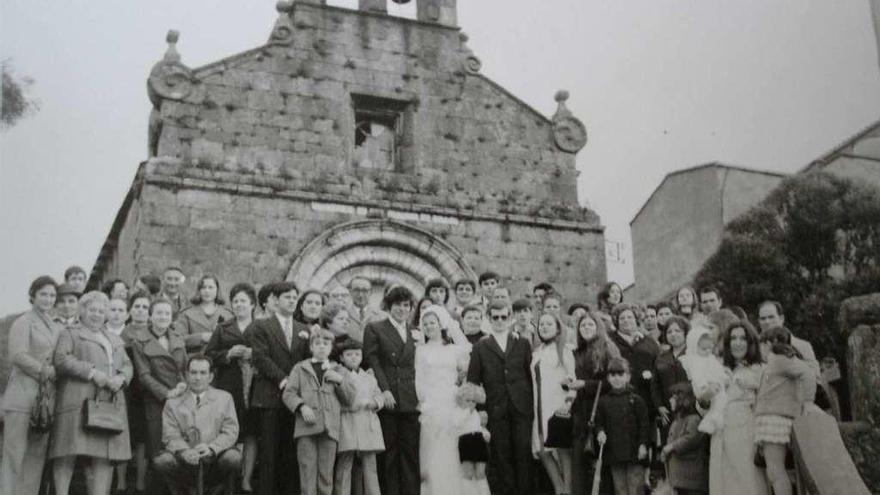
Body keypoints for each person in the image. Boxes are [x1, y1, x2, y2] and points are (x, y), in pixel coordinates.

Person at [50, 291, 133, 495]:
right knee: (67, 454)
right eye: (92, 310)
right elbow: (61, 360)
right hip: (77, 402)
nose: (97, 314)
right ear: (83, 311)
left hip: (109, 403)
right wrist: (92, 372)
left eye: (101, 310)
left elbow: (127, 364)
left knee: (103, 456)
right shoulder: (70, 333)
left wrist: (121, 378)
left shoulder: (113, 338)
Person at [0, 276, 61, 495]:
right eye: (43, 294)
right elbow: (18, 355)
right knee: (14, 456)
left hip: (44, 402)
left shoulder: (55, 327)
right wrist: (45, 371)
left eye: (52, 295)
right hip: (22, 398)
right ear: (33, 295)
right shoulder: (24, 322)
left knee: (35, 458)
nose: (48, 299)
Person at [248, 281, 310, 495]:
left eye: (294, 297)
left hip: (295, 401)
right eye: (287, 297)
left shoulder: (304, 330)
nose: (292, 301)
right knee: (269, 455)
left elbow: (307, 361)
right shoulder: (261, 326)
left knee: (290, 454)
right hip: (270, 396)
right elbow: (260, 357)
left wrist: (297, 388)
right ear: (275, 300)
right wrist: (284, 381)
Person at [467, 301, 534, 495]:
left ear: (510, 317)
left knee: (523, 453)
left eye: (503, 317)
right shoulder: (481, 346)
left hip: (521, 407)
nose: (499, 320)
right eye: (495, 317)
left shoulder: (522, 342)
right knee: (502, 456)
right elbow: (473, 381)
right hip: (496, 408)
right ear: (488, 318)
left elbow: (529, 376)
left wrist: (530, 404)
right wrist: (481, 411)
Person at [153, 355, 242, 495]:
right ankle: (180, 492)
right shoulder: (173, 402)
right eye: (193, 373)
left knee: (233, 458)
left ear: (211, 376)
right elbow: (170, 434)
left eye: (203, 373)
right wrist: (184, 451)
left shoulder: (224, 398)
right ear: (187, 376)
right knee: (163, 461)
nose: (197, 377)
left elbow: (231, 431)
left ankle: (222, 491)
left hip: (215, 460)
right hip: (185, 462)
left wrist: (212, 448)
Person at [283, 329, 356, 495]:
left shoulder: (338, 369)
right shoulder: (301, 368)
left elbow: (350, 399)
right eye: (317, 344)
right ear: (311, 347)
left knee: (326, 474)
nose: (321, 347)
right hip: (306, 429)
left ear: (331, 348)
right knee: (307, 472)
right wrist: (301, 406)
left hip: (330, 430)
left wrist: (339, 381)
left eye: (326, 344)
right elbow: (288, 394)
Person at [363, 286, 420, 495]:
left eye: (406, 305)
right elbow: (372, 360)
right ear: (389, 305)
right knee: (389, 454)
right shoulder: (375, 328)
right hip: (388, 399)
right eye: (398, 305)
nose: (402, 309)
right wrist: (384, 390)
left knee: (411, 454)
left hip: (412, 400)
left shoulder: (416, 332)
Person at [204, 282, 259, 493]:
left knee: (251, 432)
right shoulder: (223, 327)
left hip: (255, 385)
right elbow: (208, 356)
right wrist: (228, 354)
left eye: (243, 301)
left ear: (252, 304)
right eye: (235, 301)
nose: (239, 305)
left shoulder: (262, 327)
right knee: (230, 429)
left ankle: (246, 478)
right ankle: (227, 480)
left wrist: (253, 354)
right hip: (229, 385)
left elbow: (269, 353)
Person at [415, 305, 472, 495]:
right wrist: (424, 403)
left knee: (454, 448)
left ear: (441, 324)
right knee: (435, 449)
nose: (429, 326)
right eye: (425, 324)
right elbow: (419, 379)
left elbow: (466, 370)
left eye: (432, 322)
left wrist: (463, 399)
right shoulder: (421, 350)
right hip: (432, 403)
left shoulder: (455, 349)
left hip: (451, 400)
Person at [754, 326, 817, 495]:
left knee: (775, 471)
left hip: (774, 419)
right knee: (777, 471)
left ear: (767, 344)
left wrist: (808, 402)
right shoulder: (777, 362)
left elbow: (808, 374)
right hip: (772, 418)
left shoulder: (778, 359)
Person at [709, 321, 768, 495]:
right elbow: (706, 406)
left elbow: (765, 402)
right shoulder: (719, 368)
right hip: (720, 432)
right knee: (724, 483)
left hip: (747, 432)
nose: (737, 342)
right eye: (733, 338)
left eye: (743, 338)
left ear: (751, 342)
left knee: (748, 479)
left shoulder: (760, 369)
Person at [130, 299, 188, 469]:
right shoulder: (139, 341)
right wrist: (166, 393)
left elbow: (184, 368)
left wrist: (182, 386)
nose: (163, 317)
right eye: (159, 313)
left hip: (180, 399)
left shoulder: (178, 338)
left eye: (167, 313)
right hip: (154, 401)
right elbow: (144, 375)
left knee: (179, 443)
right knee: (157, 448)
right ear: (151, 316)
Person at [568, 312, 620, 495]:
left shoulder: (608, 348)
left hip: (602, 411)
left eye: (590, 325)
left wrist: (585, 384)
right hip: (580, 413)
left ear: (598, 327)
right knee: (580, 467)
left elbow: (615, 380)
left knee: (602, 464)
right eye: (583, 326)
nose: (586, 328)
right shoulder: (576, 352)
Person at [530, 312, 575, 495]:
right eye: (541, 324)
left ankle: (568, 490)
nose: (544, 327)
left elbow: (572, 379)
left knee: (562, 450)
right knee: (542, 450)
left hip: (558, 405)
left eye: (549, 324)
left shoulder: (564, 349)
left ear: (557, 328)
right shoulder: (536, 352)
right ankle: (559, 488)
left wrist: (568, 403)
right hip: (539, 407)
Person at [334, 339, 385, 495]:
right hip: (347, 424)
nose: (354, 357)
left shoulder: (369, 378)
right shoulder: (338, 376)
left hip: (367, 424)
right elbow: (335, 400)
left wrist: (375, 403)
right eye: (349, 355)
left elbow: (379, 396)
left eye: (357, 354)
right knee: (344, 466)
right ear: (342, 358)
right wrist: (349, 406)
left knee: (370, 467)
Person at [595, 357, 650, 495]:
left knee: (636, 488)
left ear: (628, 377)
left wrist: (643, 444)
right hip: (614, 453)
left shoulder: (636, 400)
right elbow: (598, 422)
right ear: (608, 378)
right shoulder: (603, 401)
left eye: (621, 374)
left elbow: (644, 425)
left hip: (635, 453)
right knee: (620, 489)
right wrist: (600, 432)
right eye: (613, 375)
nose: (617, 378)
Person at [122, 292, 152, 495]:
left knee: (143, 438)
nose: (140, 310)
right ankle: (121, 484)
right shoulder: (122, 333)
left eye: (144, 307)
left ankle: (140, 484)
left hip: (146, 391)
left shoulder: (154, 333)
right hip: (126, 389)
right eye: (137, 306)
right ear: (130, 310)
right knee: (123, 436)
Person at [608, 303, 660, 419]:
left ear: (636, 319)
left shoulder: (649, 341)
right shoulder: (610, 341)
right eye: (622, 318)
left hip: (646, 399)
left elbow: (657, 364)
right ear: (616, 322)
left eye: (630, 317)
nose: (626, 320)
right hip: (619, 398)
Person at [679, 322, 729, 434]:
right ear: (694, 346)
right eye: (703, 349)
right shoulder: (693, 361)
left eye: (709, 349)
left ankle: (715, 420)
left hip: (716, 385)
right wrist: (704, 387)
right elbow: (697, 377)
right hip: (703, 388)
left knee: (722, 400)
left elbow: (719, 370)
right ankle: (710, 421)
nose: (707, 352)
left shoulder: (711, 358)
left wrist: (725, 378)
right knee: (717, 401)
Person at [659, 383, 709, 494]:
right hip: (680, 479)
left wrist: (671, 447)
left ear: (682, 399)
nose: (670, 400)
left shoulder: (694, 419)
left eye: (673, 397)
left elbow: (691, 437)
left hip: (691, 480)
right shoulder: (677, 420)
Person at [175, 275, 234, 353]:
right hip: (194, 360)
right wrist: (201, 337)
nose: (207, 291)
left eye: (210, 287)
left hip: (221, 361)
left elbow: (233, 340)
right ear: (199, 290)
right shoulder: (187, 313)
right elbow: (178, 339)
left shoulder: (227, 314)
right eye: (203, 287)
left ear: (217, 290)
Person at [650, 316, 690, 430]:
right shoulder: (661, 357)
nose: (673, 334)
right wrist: (659, 406)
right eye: (669, 332)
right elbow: (655, 385)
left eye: (677, 331)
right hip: (668, 412)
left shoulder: (693, 354)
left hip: (690, 411)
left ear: (685, 333)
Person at [455, 383, 492, 495]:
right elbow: (457, 424)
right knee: (468, 473)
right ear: (461, 400)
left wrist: (485, 433)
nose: (471, 404)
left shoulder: (476, 414)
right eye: (467, 400)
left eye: (473, 401)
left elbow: (479, 427)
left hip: (478, 442)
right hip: (466, 442)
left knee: (481, 473)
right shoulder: (459, 412)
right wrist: (467, 411)